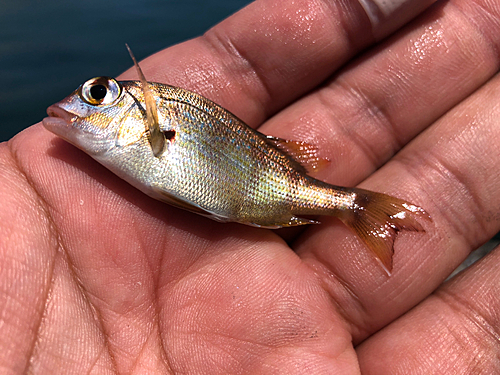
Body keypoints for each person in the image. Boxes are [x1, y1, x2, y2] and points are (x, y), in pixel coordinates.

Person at [1, 0, 499, 372]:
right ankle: (353, 206)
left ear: (144, 117)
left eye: (97, 95)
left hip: (260, 191)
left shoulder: (158, 118)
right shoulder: (119, 143)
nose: (78, 106)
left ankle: (356, 208)